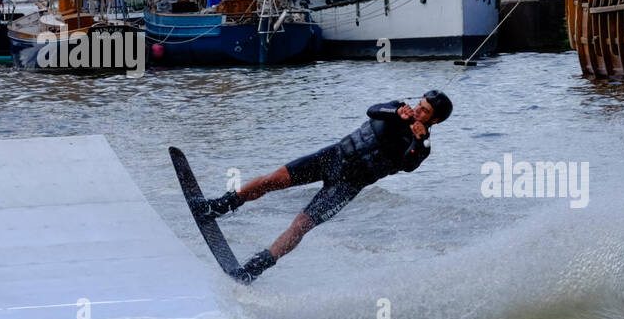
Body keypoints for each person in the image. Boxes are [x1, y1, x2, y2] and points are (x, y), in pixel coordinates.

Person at [188, 92, 454, 284]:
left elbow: (408, 166)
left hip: (348, 185)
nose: (417, 111)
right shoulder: (397, 108)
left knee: (300, 226)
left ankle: (253, 269)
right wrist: (396, 113)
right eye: (420, 104)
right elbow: (372, 110)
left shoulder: (420, 146)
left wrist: (419, 142)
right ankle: (221, 205)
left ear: (435, 121)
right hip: (332, 157)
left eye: (425, 111)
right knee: (273, 180)